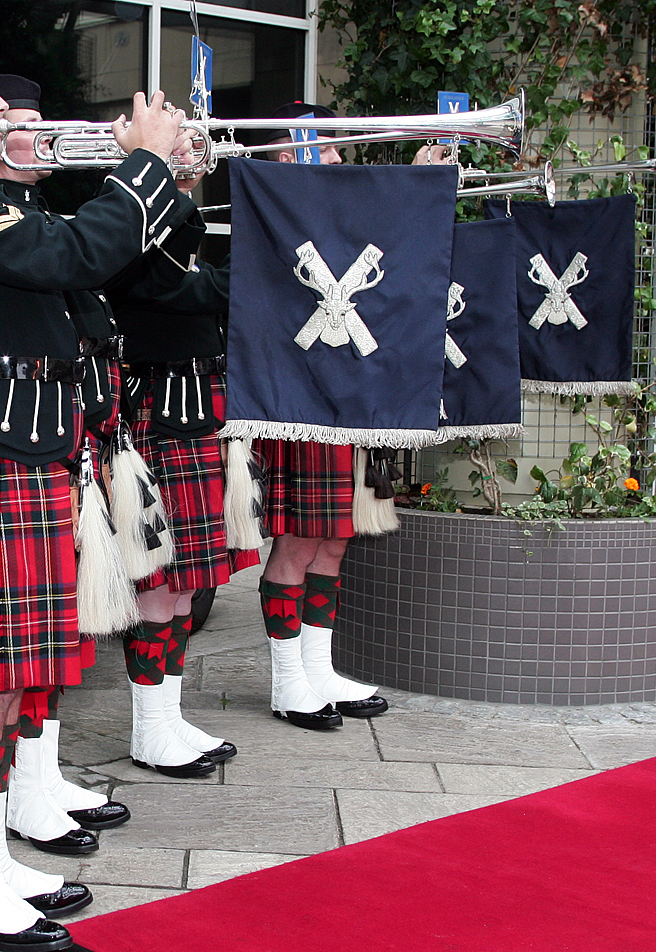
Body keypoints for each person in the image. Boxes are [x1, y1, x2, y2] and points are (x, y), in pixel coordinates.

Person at [0, 23, 195, 951]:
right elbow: (69, 258)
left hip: (34, 443)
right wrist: (144, 165)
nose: (2, 104)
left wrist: (158, 178)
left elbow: (79, 256)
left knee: (19, 672)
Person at [0, 73, 133, 852]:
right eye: (25, 123)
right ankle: (22, 791)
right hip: (22, 438)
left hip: (68, 436)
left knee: (58, 630)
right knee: (28, 638)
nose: (43, 138)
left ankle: (39, 777)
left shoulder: (38, 214)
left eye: (47, 124)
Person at [102, 166, 258, 772]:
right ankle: (149, 730)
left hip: (196, 413)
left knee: (188, 581)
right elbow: (182, 292)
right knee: (158, 582)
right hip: (160, 417)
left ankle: (167, 717)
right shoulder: (130, 225)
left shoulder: (175, 231)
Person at [251, 102, 393, 728]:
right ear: (290, 154)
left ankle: (318, 668)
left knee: (335, 537)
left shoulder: (340, 210)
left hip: (349, 394)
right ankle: (288, 682)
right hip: (300, 396)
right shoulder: (271, 215)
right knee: (300, 538)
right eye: (327, 146)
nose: (338, 157)